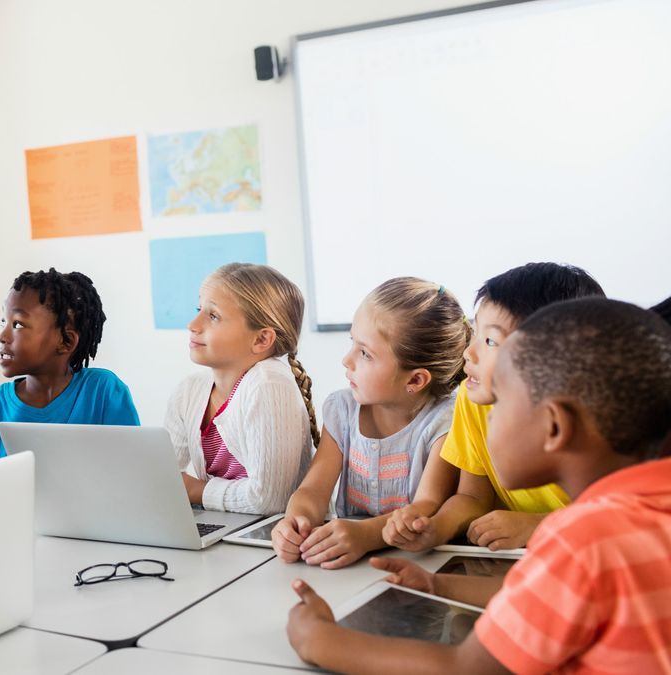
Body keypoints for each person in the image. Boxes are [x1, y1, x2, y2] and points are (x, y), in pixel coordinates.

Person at [286, 297, 671, 674]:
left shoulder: (583, 540)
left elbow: (466, 667)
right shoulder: (646, 514)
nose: (486, 417)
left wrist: (318, 639)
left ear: (554, 427)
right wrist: (438, 585)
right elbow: (546, 596)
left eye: (500, 401)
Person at [382, 263, 604, 551]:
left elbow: (622, 514)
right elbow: (473, 497)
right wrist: (436, 529)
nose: (468, 352)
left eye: (490, 340)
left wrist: (539, 525)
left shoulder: (597, 419)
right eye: (475, 332)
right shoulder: (472, 399)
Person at [272, 278, 467, 568]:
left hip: (417, 565)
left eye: (365, 353)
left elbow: (428, 506)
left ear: (415, 379)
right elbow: (313, 490)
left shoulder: (443, 422)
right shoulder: (342, 410)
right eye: (352, 342)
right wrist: (295, 522)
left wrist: (366, 535)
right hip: (348, 561)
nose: (346, 360)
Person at [165, 263, 315, 515]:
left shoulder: (269, 385)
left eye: (213, 316)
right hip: (226, 524)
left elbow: (269, 500)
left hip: (275, 534)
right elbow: (164, 475)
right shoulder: (189, 390)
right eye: (198, 309)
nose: (193, 324)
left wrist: (196, 491)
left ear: (261, 340)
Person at [0, 268, 139, 466]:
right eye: (4, 321)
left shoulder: (104, 392)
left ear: (66, 342)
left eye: (18, 324)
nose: (2, 336)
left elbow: (130, 473)